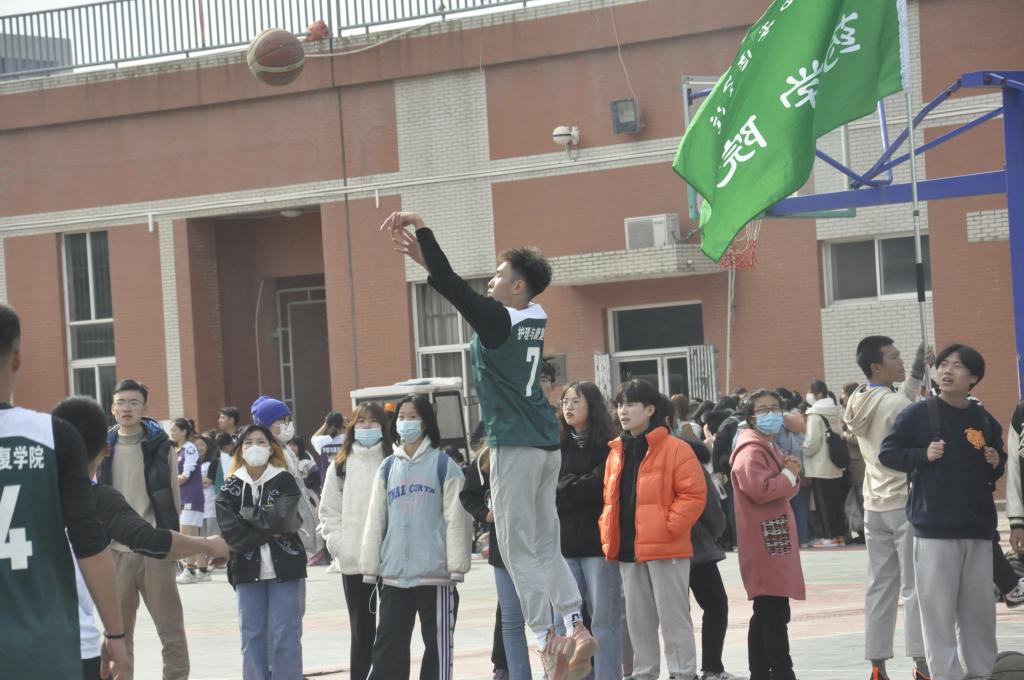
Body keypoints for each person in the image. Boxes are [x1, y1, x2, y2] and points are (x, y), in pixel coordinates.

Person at [382, 211, 595, 679]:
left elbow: (455, 288)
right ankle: (576, 624)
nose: (492, 281)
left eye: (499, 275)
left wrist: (423, 229)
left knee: (516, 547)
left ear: (517, 286)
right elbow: (453, 287)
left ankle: (546, 639)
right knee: (546, 541)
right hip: (546, 442)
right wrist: (427, 262)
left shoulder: (498, 321)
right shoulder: (534, 314)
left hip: (515, 443)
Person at [52, 396, 230, 679]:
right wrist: (209, 544)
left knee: (168, 629)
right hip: (71, 645)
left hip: (19, 642)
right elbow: (150, 540)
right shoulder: (96, 498)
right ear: (105, 449)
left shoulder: (27, 489)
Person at [0, 306, 130, 680]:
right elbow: (88, 539)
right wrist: (115, 633)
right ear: (17, 358)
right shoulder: (53, 435)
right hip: (45, 647)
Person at [879, 344, 1006, 680]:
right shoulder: (919, 414)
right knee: (937, 611)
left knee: (979, 611)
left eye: (958, 366)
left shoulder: (982, 418)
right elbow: (888, 453)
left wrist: (996, 461)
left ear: (974, 377)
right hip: (934, 529)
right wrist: (923, 454)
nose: (947, 371)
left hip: (977, 529)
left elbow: (996, 459)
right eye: (944, 364)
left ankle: (981, 672)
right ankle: (946, 674)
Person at [360, 395, 472, 680]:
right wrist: (371, 567)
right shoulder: (388, 467)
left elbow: (457, 519)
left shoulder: (444, 465)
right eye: (401, 417)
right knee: (387, 647)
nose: (405, 422)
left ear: (425, 422)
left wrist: (456, 566)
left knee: (437, 647)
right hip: (394, 575)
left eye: (412, 417)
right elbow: (376, 519)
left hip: (434, 574)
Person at [600, 379, 706, 680]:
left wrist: (669, 527)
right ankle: (644, 673)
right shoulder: (616, 451)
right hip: (628, 549)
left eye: (631, 404)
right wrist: (607, 531)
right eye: (620, 404)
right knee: (638, 620)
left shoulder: (676, 449)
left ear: (650, 409)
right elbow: (609, 499)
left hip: (666, 548)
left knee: (673, 618)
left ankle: (683, 673)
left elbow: (693, 495)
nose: (623, 411)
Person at [845, 338, 932, 680]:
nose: (900, 361)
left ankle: (877, 663)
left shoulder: (858, 399)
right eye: (894, 357)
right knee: (914, 585)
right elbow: (909, 411)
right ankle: (922, 662)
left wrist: (916, 371)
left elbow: (899, 401)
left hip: (874, 503)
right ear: (876, 367)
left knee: (880, 585)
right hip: (903, 501)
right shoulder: (895, 403)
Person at [100, 378, 189, 679]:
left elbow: (173, 499)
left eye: (133, 403)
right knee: (118, 634)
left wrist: (173, 546)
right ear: (112, 408)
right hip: (114, 551)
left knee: (171, 630)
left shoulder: (160, 446)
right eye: (121, 403)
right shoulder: (102, 447)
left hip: (155, 548)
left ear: (144, 408)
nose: (127, 408)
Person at [216, 424, 307, 680]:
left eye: (261, 442)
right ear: (240, 450)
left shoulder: (284, 479)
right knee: (252, 634)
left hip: (286, 567)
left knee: (286, 633)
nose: (254, 447)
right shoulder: (231, 486)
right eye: (248, 442)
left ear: (271, 448)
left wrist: (246, 516)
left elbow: (284, 520)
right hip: (246, 570)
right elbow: (232, 532)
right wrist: (268, 526)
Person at [730, 389, 805, 680]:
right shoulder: (751, 450)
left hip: (773, 537)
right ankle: (781, 672)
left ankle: (761, 672)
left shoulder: (768, 445)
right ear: (751, 417)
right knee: (772, 611)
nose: (770, 414)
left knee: (768, 610)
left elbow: (787, 486)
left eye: (775, 408)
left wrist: (789, 474)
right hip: (762, 540)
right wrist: (788, 474)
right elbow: (760, 490)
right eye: (762, 410)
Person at [317, 402, 392, 680]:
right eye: (361, 421)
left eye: (373, 421)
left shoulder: (394, 460)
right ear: (352, 426)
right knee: (361, 630)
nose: (367, 426)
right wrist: (341, 545)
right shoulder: (340, 465)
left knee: (392, 629)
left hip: (392, 559)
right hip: (355, 561)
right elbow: (328, 511)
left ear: (383, 426)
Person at [557, 381, 622, 680]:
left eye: (576, 401)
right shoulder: (556, 444)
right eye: (565, 402)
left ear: (591, 405)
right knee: (565, 622)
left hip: (599, 543)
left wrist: (567, 486)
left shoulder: (608, 445)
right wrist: (574, 486)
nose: (568, 407)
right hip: (563, 544)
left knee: (604, 621)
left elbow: (601, 486)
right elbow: (551, 489)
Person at [461, 445, 532, 680]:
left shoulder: (538, 446)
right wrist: (485, 514)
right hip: (503, 549)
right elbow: (468, 496)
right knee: (509, 618)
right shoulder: (486, 456)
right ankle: (506, 668)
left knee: (550, 614)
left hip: (538, 545)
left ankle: (556, 669)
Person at [802, 380, 847, 547]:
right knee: (836, 502)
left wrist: (803, 449)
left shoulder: (815, 414)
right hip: (835, 464)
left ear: (818, 394)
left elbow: (813, 442)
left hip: (820, 466)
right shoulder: (834, 411)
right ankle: (840, 536)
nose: (809, 396)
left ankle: (830, 537)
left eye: (810, 392)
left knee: (823, 503)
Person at [171, 417, 205, 584]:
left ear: (184, 432)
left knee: (186, 534)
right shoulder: (178, 450)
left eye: (174, 430)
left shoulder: (190, 448)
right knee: (193, 535)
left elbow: (185, 477)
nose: (171, 433)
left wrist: (168, 480)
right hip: (183, 497)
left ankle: (189, 569)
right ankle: (203, 569)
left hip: (191, 496)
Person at [839, 382, 866, 544]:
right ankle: (863, 531)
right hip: (856, 464)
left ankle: (866, 533)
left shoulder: (857, 412)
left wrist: (844, 435)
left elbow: (859, 438)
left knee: (862, 499)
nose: (841, 396)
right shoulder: (851, 411)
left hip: (860, 465)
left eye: (843, 393)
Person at [311, 410, 346, 492]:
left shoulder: (321, 442)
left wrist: (326, 423)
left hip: (327, 487)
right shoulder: (348, 440)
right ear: (342, 425)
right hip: (346, 485)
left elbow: (313, 438)